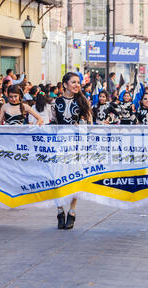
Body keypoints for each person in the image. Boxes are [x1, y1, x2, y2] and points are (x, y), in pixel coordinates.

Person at [51, 72, 92, 230]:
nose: (77, 85)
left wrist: (80, 126)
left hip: (76, 145)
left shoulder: (82, 101)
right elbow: (53, 123)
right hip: (60, 145)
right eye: (73, 82)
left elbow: (89, 123)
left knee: (75, 178)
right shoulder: (56, 102)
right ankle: (59, 211)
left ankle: (72, 212)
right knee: (57, 179)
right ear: (65, 84)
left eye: (78, 83)